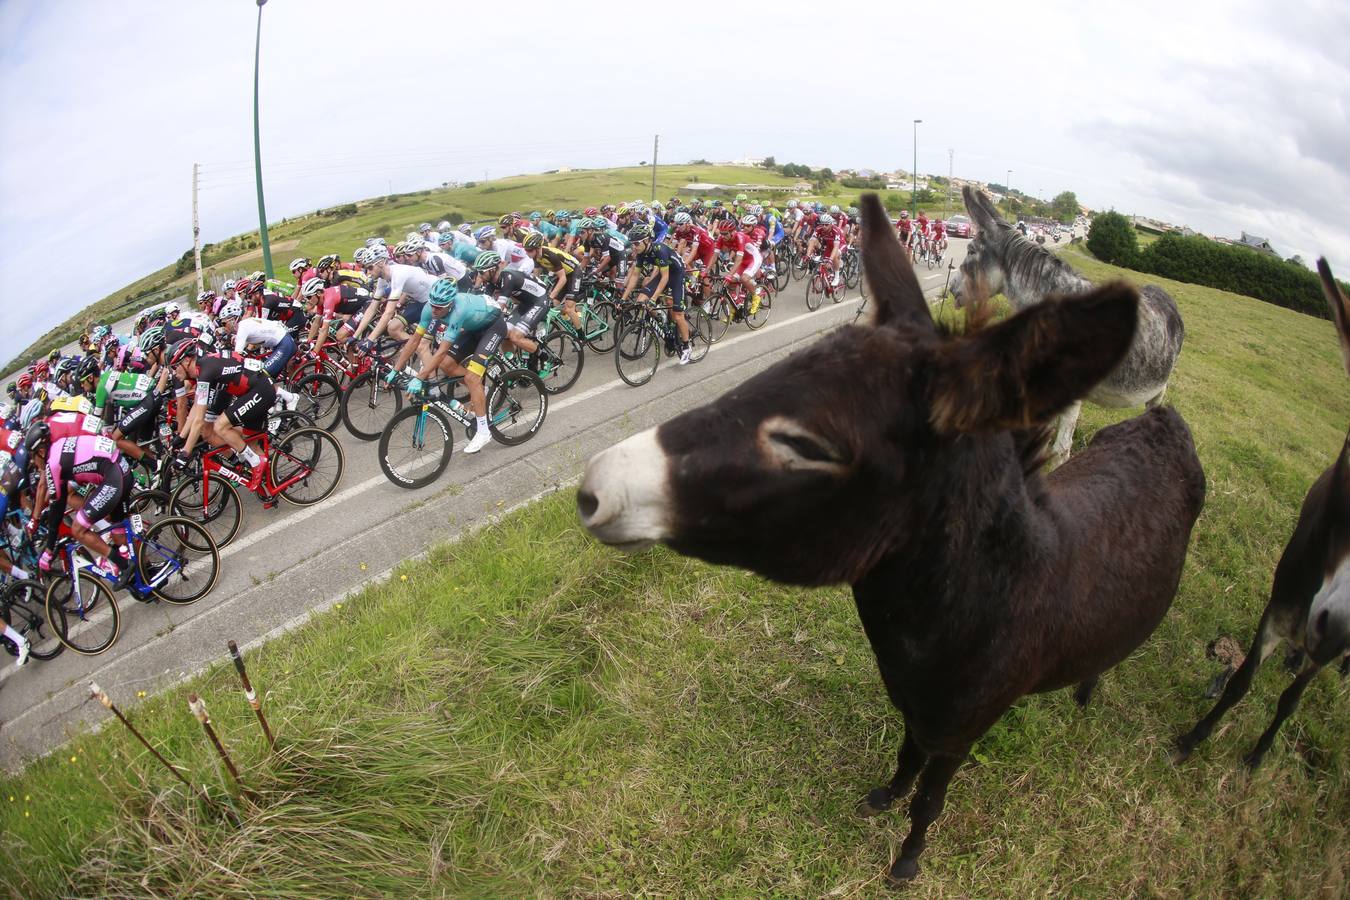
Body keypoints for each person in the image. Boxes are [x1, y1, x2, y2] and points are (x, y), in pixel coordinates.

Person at [386, 278, 505, 455]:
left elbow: (441, 350)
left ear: (450, 304)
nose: (434, 310)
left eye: (439, 307)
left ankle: (483, 430)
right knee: (445, 364)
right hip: (473, 326)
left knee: (471, 377)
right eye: (432, 305)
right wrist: (396, 369)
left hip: (493, 326)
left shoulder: (458, 310)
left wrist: (419, 378)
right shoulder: (430, 308)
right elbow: (414, 341)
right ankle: (480, 389)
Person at [26, 422, 135, 589]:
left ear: (40, 452)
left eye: (33, 458)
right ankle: (145, 571)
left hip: (114, 476)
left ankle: (124, 565)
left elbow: (56, 505)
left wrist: (48, 549)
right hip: (120, 469)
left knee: (78, 529)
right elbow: (60, 500)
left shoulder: (53, 464)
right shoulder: (58, 446)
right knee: (118, 533)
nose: (34, 463)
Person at [622, 224, 692, 364]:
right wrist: (622, 298)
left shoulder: (659, 250)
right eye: (632, 244)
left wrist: (654, 299)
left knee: (678, 314)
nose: (634, 247)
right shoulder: (641, 254)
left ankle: (686, 346)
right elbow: (635, 275)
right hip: (663, 274)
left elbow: (665, 278)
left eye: (636, 243)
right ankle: (662, 321)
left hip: (676, 275)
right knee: (641, 300)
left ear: (647, 241)